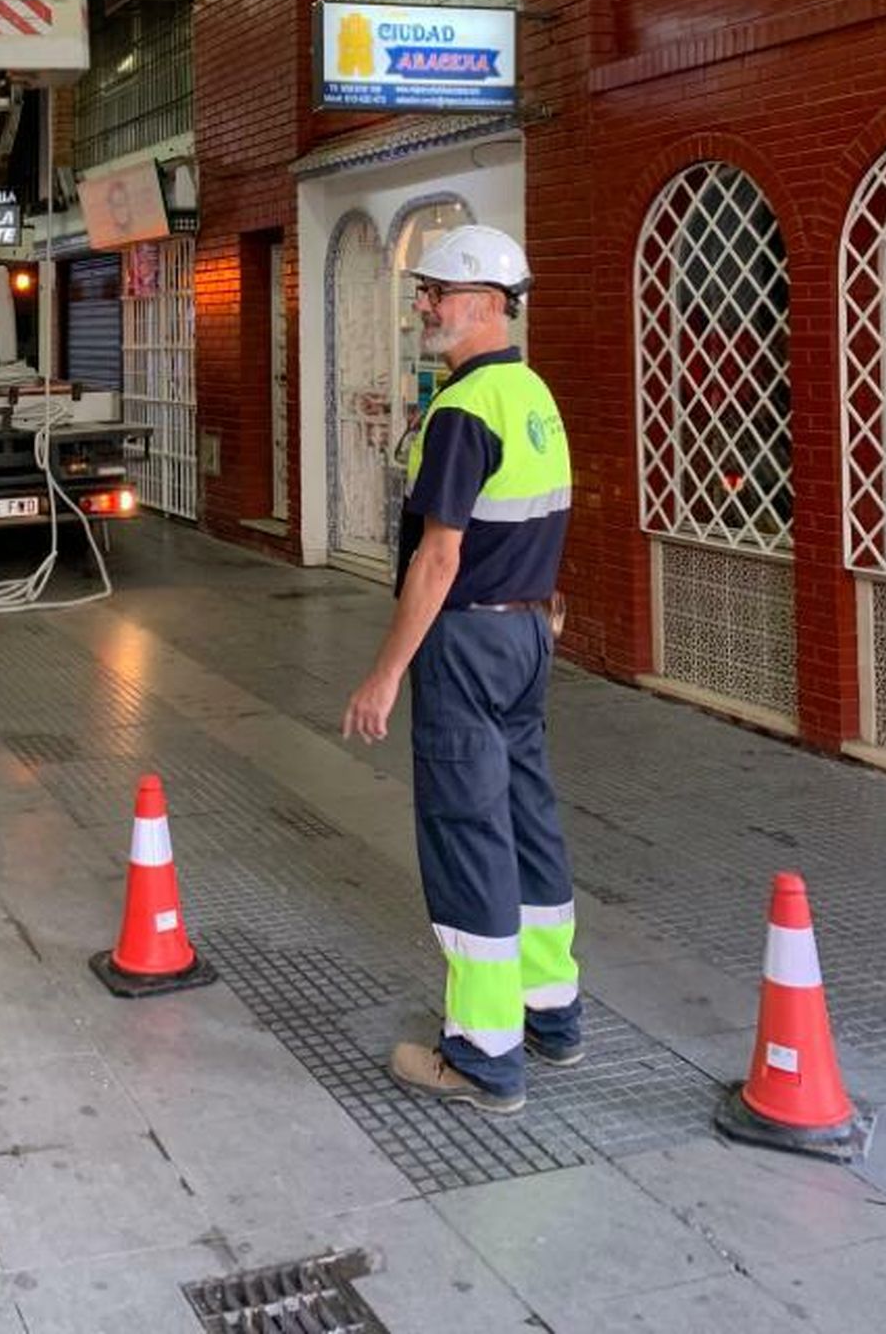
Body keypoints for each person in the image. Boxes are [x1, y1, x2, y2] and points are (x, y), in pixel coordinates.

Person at [342, 226, 580, 1117]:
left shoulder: (462, 410)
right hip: (526, 634)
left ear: (486, 303)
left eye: (438, 292)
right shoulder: (534, 397)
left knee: (467, 831)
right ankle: (551, 1014)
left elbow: (436, 562)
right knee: (527, 820)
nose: (426, 306)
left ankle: (483, 1051)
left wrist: (384, 673)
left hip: (468, 643)